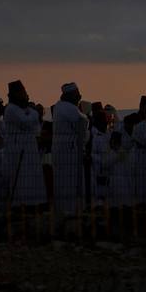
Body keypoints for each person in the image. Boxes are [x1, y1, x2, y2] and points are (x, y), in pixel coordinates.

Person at [0, 80, 45, 206]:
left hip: (28, 149)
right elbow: (26, 122)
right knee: (21, 178)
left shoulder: (21, 109)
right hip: (18, 150)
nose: (26, 94)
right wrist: (35, 112)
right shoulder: (11, 109)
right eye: (23, 92)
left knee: (30, 177)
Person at [50, 83, 88, 217]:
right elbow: (82, 119)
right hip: (67, 151)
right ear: (70, 95)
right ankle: (69, 213)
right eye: (77, 93)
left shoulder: (61, 107)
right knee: (68, 183)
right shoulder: (68, 108)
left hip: (66, 150)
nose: (80, 95)